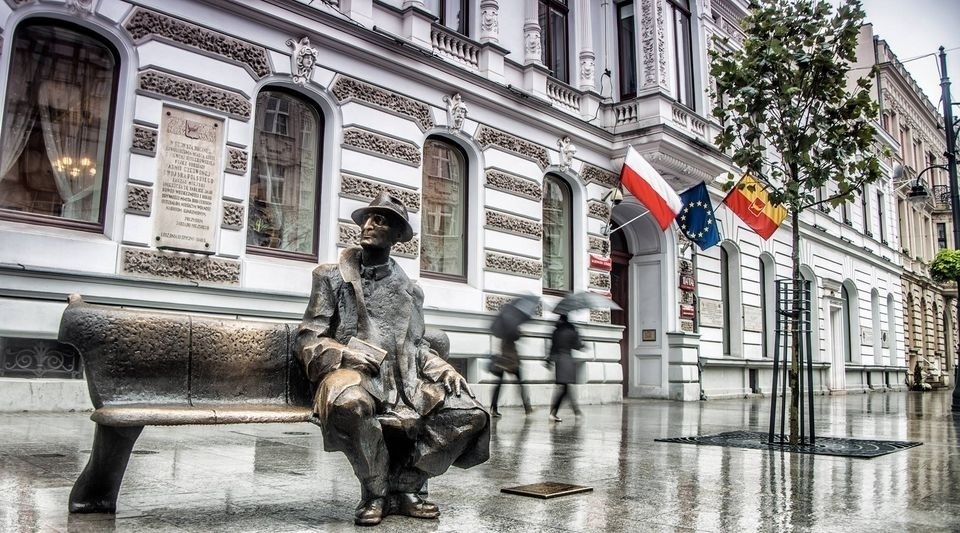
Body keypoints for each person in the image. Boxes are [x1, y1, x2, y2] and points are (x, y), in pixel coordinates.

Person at [296, 192, 489, 526]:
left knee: (472, 414)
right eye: (367, 219)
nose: (368, 225)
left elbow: (417, 346)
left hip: (405, 380)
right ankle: (376, 492)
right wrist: (345, 354)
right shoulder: (330, 277)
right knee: (350, 404)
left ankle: (407, 483)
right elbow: (308, 338)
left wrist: (443, 368)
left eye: (380, 220)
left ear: (398, 236)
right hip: (352, 374)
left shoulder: (411, 291)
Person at [546, 313, 583, 422]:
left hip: (559, 361)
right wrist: (578, 336)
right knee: (565, 388)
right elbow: (578, 346)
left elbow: (552, 348)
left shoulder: (556, 331)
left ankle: (575, 411)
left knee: (565, 388)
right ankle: (554, 413)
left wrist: (549, 361)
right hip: (568, 361)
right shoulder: (571, 331)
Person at [489, 329, 533, 417]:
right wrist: (519, 332)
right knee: (520, 384)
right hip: (510, 361)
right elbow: (516, 336)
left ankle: (493, 408)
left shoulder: (503, 331)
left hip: (504, 360)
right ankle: (527, 407)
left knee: (499, 385)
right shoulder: (510, 330)